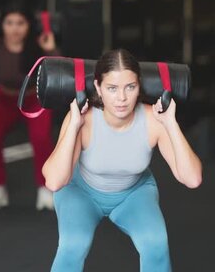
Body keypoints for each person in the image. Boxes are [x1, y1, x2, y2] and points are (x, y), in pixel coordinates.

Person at [42, 49, 202, 272]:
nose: (122, 98)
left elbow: (192, 179)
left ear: (139, 86)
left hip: (133, 193)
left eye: (130, 87)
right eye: (112, 88)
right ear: (98, 87)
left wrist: (170, 124)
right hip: (81, 191)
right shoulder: (83, 118)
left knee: (155, 244)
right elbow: (54, 182)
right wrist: (74, 126)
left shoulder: (153, 120)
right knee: (73, 245)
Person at [0, 4, 58, 210]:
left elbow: (61, 77)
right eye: (10, 23)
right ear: (2, 25)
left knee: (41, 139)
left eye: (20, 23)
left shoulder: (38, 46)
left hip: (34, 98)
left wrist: (50, 49)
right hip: (4, 98)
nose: (15, 29)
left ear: (28, 26)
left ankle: (46, 189)